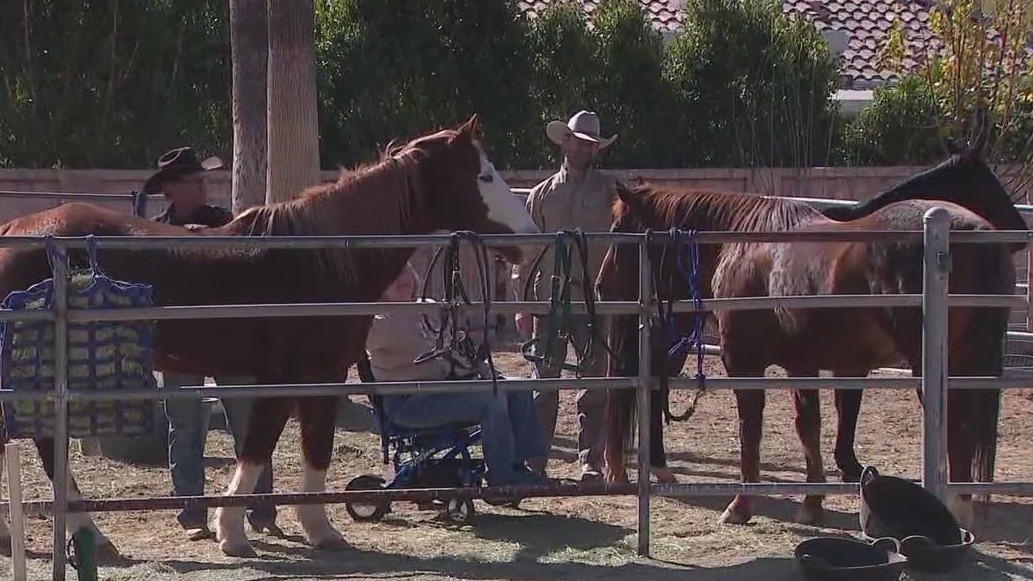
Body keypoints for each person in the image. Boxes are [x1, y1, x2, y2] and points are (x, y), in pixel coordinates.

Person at [144, 146, 279, 540]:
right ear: (171, 189)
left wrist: (214, 241)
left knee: (247, 423)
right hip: (179, 342)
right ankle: (192, 513)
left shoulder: (224, 222)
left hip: (228, 338)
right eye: (194, 181)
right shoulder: (153, 232)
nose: (202, 187)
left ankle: (261, 507)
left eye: (202, 180)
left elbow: (251, 265)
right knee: (184, 427)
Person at [512, 111, 634, 482]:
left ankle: (590, 461)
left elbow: (626, 242)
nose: (584, 149)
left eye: (590, 144)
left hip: (593, 301)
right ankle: (536, 459)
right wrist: (522, 306)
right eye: (579, 142)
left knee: (594, 383)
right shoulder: (542, 195)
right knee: (543, 383)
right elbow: (525, 255)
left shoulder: (612, 192)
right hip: (549, 300)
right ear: (565, 142)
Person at [366, 263, 549, 490]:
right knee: (490, 401)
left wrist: (483, 371)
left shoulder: (430, 307)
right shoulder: (380, 322)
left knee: (517, 388)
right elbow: (360, 339)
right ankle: (501, 479)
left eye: (404, 272)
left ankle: (518, 467)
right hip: (410, 403)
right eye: (392, 275)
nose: (401, 279)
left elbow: (456, 347)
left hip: (446, 389)